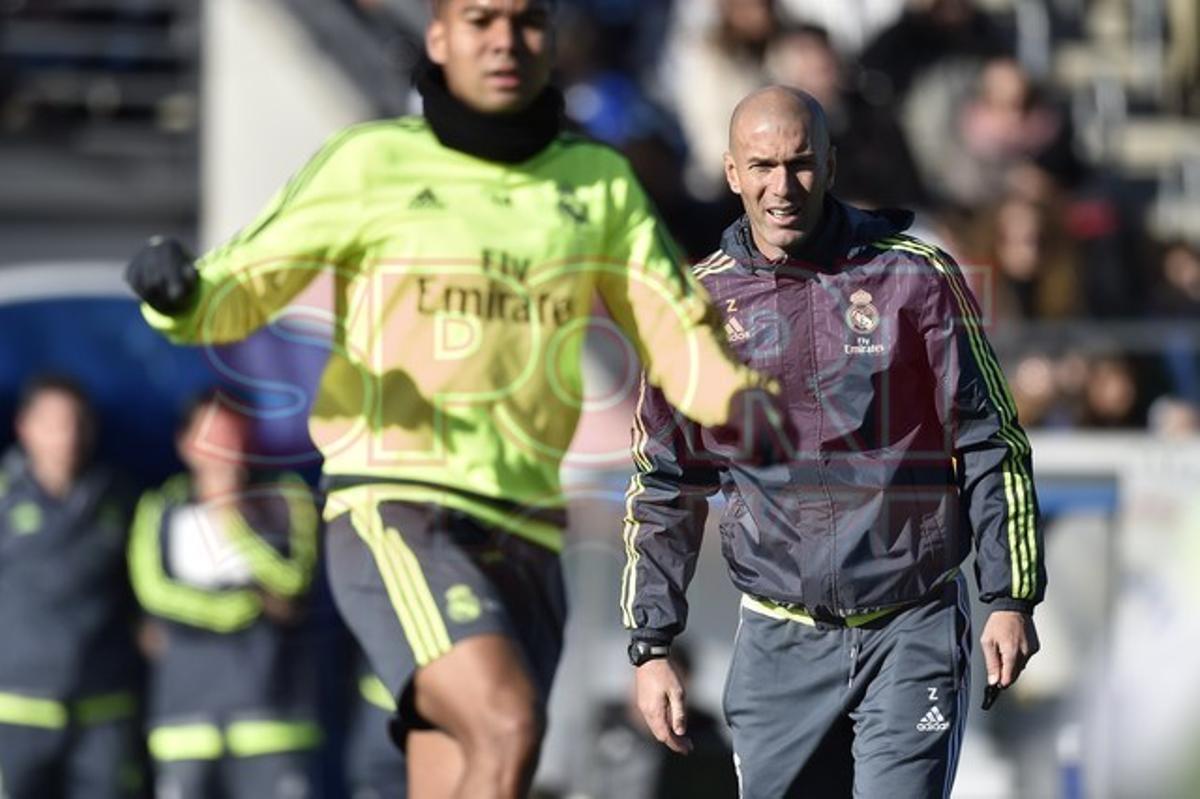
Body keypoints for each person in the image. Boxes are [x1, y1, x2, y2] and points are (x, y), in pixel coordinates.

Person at [123, 1, 780, 796]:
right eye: (480, 19)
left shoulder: (596, 182)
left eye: (527, 20)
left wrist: (735, 402)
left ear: (551, 38)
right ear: (440, 37)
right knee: (506, 722)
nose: (505, 39)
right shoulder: (371, 162)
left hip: (529, 521)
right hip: (398, 504)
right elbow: (244, 281)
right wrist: (181, 297)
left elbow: (674, 329)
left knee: (469, 763)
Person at [622, 87, 1045, 798]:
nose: (781, 187)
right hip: (778, 640)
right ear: (731, 172)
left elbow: (991, 439)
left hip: (910, 625)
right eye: (761, 166)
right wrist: (651, 643)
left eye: (801, 164)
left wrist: (1010, 595)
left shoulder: (916, 278)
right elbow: (666, 480)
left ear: (831, 164)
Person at [128, 390, 320, 798]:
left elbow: (293, 581)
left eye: (231, 435)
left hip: (272, 715)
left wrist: (232, 516)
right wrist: (240, 607)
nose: (221, 449)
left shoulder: (286, 496)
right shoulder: (161, 505)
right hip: (185, 715)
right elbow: (153, 592)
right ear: (185, 443)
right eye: (209, 435)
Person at [0, 374, 143, 799]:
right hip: (16, 709)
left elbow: (141, 586)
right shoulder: (6, 495)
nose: (68, 436)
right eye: (54, 423)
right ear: (24, 426)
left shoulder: (120, 496)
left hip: (105, 707)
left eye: (79, 422)